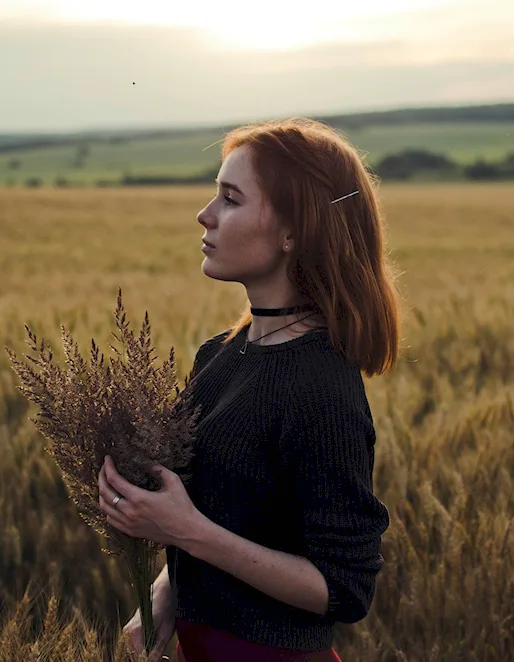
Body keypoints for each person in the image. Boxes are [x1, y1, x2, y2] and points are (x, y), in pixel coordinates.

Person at [99, 117, 403, 661]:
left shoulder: (320, 385)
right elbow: (226, 515)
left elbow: (345, 587)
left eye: (230, 199)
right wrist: (168, 591)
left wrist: (188, 533)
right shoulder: (218, 356)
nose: (204, 214)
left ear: (294, 232)